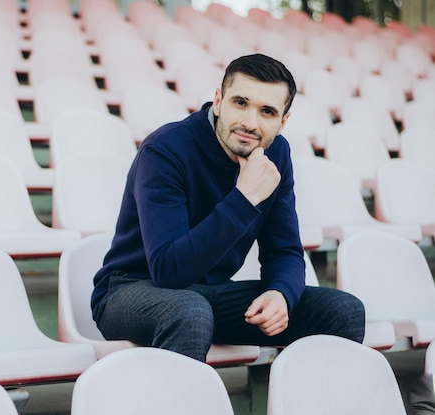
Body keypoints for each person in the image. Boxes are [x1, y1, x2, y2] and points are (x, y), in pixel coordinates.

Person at [90, 53, 366, 363]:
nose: (250, 122)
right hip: (131, 289)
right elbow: (169, 271)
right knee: (189, 312)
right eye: (240, 103)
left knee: (344, 311)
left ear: (283, 121)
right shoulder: (166, 149)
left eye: (267, 111)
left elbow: (284, 250)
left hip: (209, 296)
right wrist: (244, 198)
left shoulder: (276, 154)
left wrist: (281, 294)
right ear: (219, 101)